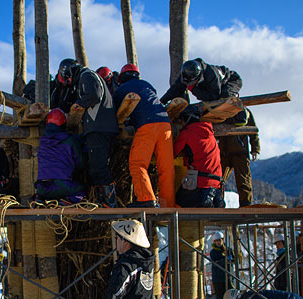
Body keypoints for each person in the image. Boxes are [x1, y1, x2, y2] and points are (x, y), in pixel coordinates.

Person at [55, 58, 119, 207]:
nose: (69, 81)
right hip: (99, 128)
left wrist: (78, 104)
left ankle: (110, 202)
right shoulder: (86, 77)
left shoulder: (86, 76)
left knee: (99, 166)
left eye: (68, 78)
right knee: (95, 166)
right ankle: (102, 200)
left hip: (99, 128)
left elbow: (95, 95)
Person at [113, 64, 176, 208]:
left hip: (147, 125)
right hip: (165, 125)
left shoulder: (121, 89)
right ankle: (168, 206)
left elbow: (115, 111)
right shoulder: (147, 85)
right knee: (166, 168)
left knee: (137, 163)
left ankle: (145, 199)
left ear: (122, 78)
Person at [173, 106, 225, 208]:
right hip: (217, 187)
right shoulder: (210, 134)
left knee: (177, 203)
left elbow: (172, 153)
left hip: (200, 186)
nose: (181, 123)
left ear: (187, 119)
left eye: (181, 120)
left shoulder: (187, 133)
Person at [35, 108, 86, 204]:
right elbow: (80, 163)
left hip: (41, 187)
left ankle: (39, 198)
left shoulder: (43, 142)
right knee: (81, 189)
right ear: (63, 124)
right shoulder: (70, 141)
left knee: (48, 189)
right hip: (62, 186)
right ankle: (68, 200)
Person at [218, 108, 260, 206]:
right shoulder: (221, 109)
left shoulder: (244, 111)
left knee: (243, 179)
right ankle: (218, 203)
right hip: (227, 152)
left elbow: (253, 132)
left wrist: (255, 149)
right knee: (218, 180)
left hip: (238, 152)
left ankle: (246, 204)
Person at [160, 58, 243, 104]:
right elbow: (175, 89)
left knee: (224, 97)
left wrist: (194, 90)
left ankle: (243, 113)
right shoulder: (186, 73)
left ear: (198, 77)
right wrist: (162, 101)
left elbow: (214, 97)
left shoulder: (211, 74)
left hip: (232, 80)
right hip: (215, 88)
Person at [209, 231, 233, 299]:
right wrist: (225, 260)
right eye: (216, 241)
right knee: (220, 298)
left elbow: (234, 259)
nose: (218, 242)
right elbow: (216, 263)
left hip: (228, 276)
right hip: (218, 278)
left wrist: (231, 257)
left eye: (220, 240)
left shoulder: (228, 250)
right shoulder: (213, 252)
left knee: (231, 296)